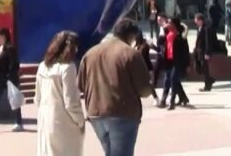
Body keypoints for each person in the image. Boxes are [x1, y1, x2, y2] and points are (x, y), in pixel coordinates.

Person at [78, 18, 152, 156]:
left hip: (95, 112)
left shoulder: (90, 53)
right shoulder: (130, 53)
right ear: (131, 35)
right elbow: (144, 90)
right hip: (122, 112)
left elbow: (80, 85)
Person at [35, 30, 85, 156]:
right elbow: (70, 102)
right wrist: (80, 120)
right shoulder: (68, 68)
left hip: (44, 118)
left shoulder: (42, 66)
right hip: (63, 121)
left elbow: (37, 98)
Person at [159, 20, 190, 109]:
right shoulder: (166, 33)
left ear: (174, 25)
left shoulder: (181, 36)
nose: (167, 24)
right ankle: (163, 101)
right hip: (168, 60)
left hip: (177, 61)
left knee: (173, 79)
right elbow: (160, 43)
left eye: (170, 23)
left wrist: (187, 64)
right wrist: (162, 32)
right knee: (167, 81)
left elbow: (186, 51)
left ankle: (171, 102)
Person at [192, 13, 216, 91]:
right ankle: (210, 79)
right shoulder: (199, 28)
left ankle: (207, 86)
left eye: (196, 20)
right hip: (198, 51)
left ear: (200, 20)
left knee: (205, 68)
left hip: (204, 51)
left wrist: (207, 53)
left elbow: (208, 41)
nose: (195, 21)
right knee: (198, 68)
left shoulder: (206, 28)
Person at [132, 34, 158, 104]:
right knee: (136, 84)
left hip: (147, 68)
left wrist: (151, 44)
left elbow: (155, 49)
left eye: (136, 38)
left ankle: (156, 98)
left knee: (149, 84)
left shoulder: (145, 45)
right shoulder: (137, 45)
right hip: (140, 68)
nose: (135, 40)